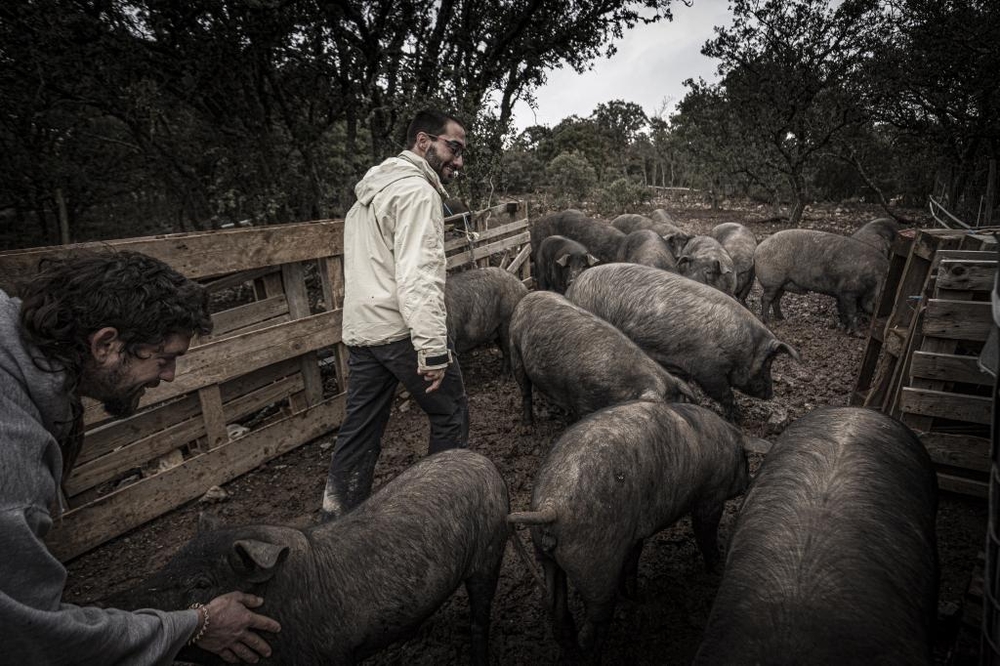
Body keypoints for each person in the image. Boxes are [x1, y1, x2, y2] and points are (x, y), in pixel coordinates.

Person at [1, 251, 282, 664]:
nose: (168, 376)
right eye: (163, 358)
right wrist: (193, 625)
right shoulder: (14, 456)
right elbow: (28, 634)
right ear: (105, 344)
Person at [321, 109, 470, 519]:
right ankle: (444, 510)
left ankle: (336, 517)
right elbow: (417, 275)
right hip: (402, 332)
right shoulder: (418, 194)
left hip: (364, 333)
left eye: (461, 154)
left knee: (359, 430)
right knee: (450, 413)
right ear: (423, 142)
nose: (458, 161)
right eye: (453, 149)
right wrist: (433, 350)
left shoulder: (366, 197)